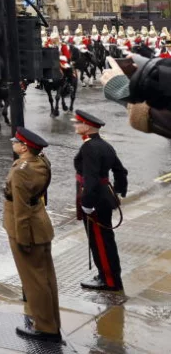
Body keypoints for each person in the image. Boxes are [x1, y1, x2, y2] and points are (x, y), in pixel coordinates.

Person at [4, 127, 61, 343]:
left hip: (27, 229)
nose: (13, 145)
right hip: (40, 222)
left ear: (24, 147)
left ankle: (46, 328)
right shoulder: (41, 162)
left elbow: (20, 207)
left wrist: (23, 238)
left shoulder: (21, 170)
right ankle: (52, 323)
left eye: (16, 142)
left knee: (34, 282)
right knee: (46, 279)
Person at [73, 109, 128, 292]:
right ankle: (107, 274)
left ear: (87, 127)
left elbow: (91, 179)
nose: (75, 125)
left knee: (100, 242)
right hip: (104, 196)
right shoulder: (104, 145)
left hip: (95, 199)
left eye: (77, 123)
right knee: (105, 240)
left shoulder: (89, 148)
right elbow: (120, 171)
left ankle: (109, 281)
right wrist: (119, 190)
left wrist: (87, 204)